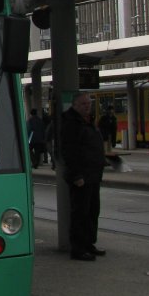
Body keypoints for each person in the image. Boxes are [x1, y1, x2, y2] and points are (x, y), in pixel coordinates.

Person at [60, 92, 107, 261]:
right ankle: (78, 249)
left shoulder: (87, 121)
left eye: (89, 103)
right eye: (83, 104)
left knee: (92, 211)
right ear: (75, 105)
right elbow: (70, 151)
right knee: (80, 213)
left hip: (93, 175)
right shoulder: (72, 123)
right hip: (81, 177)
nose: (87, 106)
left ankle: (89, 244)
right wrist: (76, 175)